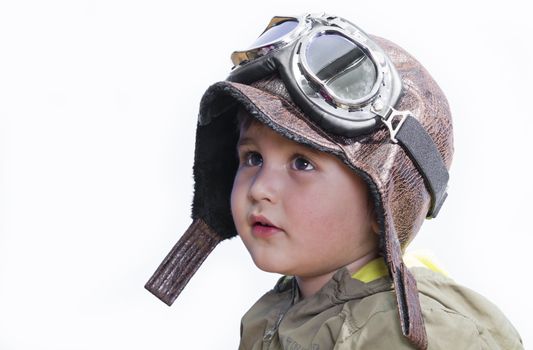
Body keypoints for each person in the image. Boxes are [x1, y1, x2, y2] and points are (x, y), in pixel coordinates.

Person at [145, 13, 524, 349]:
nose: (260, 188)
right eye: (253, 158)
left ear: (382, 203)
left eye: (302, 164)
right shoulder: (276, 312)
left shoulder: (405, 336)